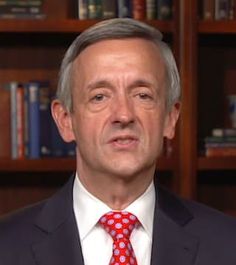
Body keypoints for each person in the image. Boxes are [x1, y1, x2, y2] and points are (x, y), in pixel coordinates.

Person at [0, 18, 236, 265]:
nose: (123, 115)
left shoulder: (228, 244)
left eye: (143, 95)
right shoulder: (6, 245)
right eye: (99, 97)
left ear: (170, 118)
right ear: (66, 120)